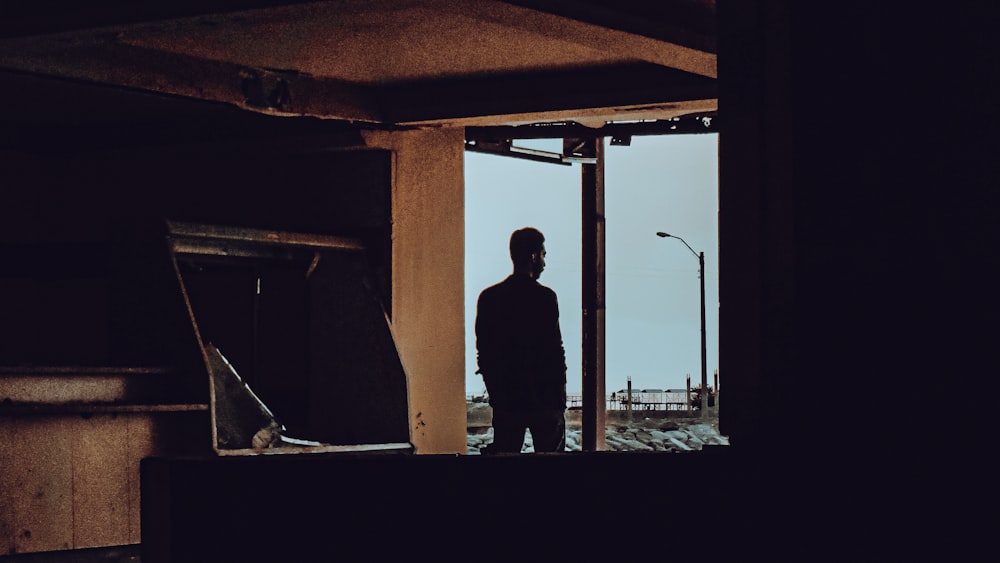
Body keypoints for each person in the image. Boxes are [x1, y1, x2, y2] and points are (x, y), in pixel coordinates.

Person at [475, 227, 567, 453]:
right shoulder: (545, 298)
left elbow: (484, 352)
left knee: (506, 465)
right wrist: (559, 398)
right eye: (543, 255)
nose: (544, 263)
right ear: (533, 256)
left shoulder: (490, 298)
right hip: (544, 398)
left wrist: (496, 392)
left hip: (508, 398)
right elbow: (554, 350)